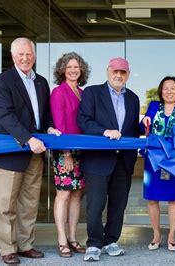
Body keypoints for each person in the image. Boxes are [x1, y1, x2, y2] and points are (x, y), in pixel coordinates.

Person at [0, 37, 61, 264]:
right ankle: (7, 248)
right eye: (20, 54)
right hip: (10, 153)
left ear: (34, 56)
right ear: (13, 57)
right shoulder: (1, 81)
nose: (25, 58)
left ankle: (25, 244)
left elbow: (45, 113)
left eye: (29, 54)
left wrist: (49, 126)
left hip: (35, 152)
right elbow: (5, 116)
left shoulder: (41, 82)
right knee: (5, 204)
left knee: (29, 203)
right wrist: (28, 138)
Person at [77, 57, 141, 262]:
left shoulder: (133, 98)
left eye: (123, 72)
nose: (119, 75)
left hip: (124, 161)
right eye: (116, 71)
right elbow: (83, 121)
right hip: (98, 160)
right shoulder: (92, 93)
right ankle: (94, 243)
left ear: (128, 75)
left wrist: (145, 125)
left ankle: (111, 241)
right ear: (108, 72)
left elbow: (130, 130)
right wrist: (104, 131)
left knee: (118, 204)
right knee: (95, 205)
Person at [140, 76, 175, 252]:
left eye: (173, 88)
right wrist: (144, 121)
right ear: (161, 91)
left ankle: (171, 235)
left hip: (173, 161)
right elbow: (143, 126)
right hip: (152, 160)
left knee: (173, 198)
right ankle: (156, 235)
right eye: (165, 88)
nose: (169, 91)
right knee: (152, 198)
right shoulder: (153, 107)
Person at [50, 52, 90, 257]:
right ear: (62, 70)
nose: (73, 70)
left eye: (76, 67)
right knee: (64, 194)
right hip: (65, 149)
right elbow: (59, 124)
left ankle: (73, 238)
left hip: (82, 150)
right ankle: (62, 240)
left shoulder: (82, 92)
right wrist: (65, 152)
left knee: (76, 194)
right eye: (69, 67)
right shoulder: (59, 91)